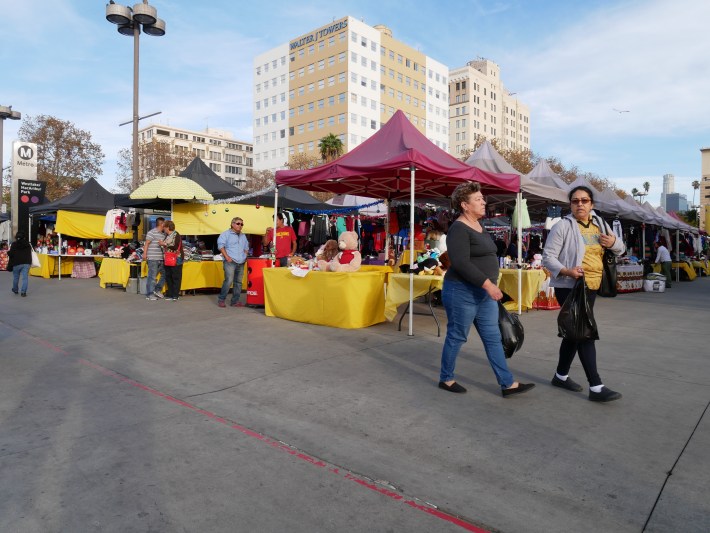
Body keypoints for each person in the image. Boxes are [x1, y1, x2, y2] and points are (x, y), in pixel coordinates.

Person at [438, 182, 535, 397]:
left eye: (483, 198)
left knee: (492, 337)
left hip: (483, 293)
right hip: (462, 291)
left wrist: (489, 285)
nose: (484, 202)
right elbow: (461, 263)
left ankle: (507, 383)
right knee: (457, 336)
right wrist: (488, 284)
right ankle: (446, 378)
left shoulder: (479, 226)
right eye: (478, 199)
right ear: (464, 205)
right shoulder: (458, 229)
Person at [542, 185, 626, 403]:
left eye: (584, 200)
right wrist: (567, 271)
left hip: (593, 286)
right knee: (584, 332)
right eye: (575, 201)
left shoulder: (600, 224)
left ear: (592, 204)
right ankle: (596, 386)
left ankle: (560, 376)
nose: (580, 204)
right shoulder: (562, 226)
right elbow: (548, 257)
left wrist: (614, 243)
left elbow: (622, 249)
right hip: (570, 287)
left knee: (574, 333)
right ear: (570, 205)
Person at [217, 217, 250, 308]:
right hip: (230, 261)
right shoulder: (225, 234)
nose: (240, 226)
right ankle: (221, 299)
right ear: (232, 224)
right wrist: (227, 257)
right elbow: (220, 246)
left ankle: (235, 301)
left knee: (238, 282)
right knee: (229, 281)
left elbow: (246, 247)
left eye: (242, 224)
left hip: (241, 262)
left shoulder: (243, 236)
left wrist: (245, 256)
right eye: (238, 223)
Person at [144, 217, 167, 300]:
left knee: (165, 274)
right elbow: (146, 244)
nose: (165, 225)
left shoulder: (163, 234)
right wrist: (144, 254)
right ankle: (149, 294)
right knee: (152, 276)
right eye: (164, 223)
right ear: (162, 224)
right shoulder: (151, 232)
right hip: (153, 258)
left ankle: (157, 290)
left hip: (161, 258)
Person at [160, 220, 183, 301]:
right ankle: (170, 294)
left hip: (176, 259)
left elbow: (175, 246)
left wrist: (164, 244)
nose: (164, 229)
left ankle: (175, 295)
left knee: (176, 277)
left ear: (168, 227)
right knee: (168, 276)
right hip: (168, 258)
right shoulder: (167, 235)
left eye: (165, 227)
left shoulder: (176, 235)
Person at [8, 231, 32, 297]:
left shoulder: (14, 244)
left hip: (16, 263)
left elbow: (11, 254)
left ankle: (15, 290)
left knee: (16, 277)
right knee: (25, 278)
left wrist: (8, 252)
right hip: (26, 263)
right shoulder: (27, 244)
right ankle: (23, 292)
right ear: (24, 237)